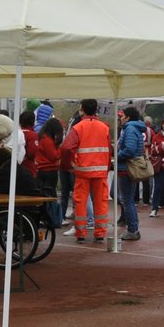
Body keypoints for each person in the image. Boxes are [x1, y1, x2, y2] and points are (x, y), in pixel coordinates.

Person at [61, 99, 112, 243]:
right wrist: (106, 168)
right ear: (96, 109)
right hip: (100, 171)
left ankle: (81, 233)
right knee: (101, 201)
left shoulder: (78, 127)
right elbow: (109, 150)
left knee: (80, 202)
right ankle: (100, 233)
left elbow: (66, 148)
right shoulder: (104, 127)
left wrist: (67, 166)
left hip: (82, 171)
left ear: (82, 109)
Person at [115, 105, 148, 241]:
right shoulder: (135, 128)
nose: (120, 119)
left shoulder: (129, 129)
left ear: (127, 117)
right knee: (126, 199)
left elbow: (129, 149)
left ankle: (132, 229)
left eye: (122, 116)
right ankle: (133, 227)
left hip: (126, 167)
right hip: (129, 167)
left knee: (126, 200)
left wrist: (117, 155)